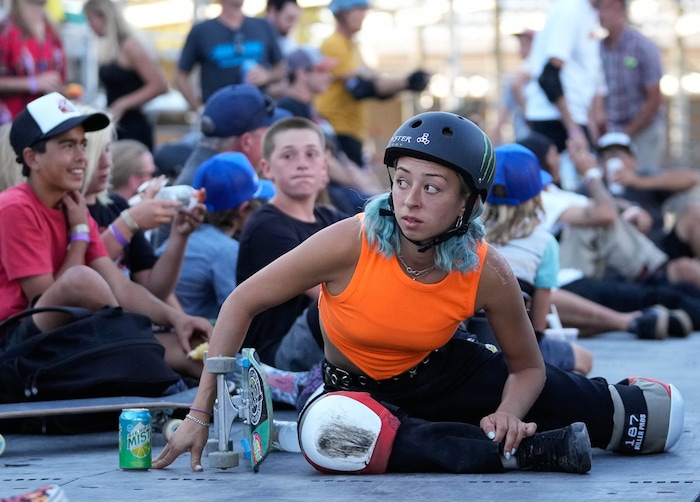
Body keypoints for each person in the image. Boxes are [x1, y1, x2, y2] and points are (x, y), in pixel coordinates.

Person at [154, 111, 683, 475]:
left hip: (447, 371)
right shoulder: (351, 239)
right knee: (329, 436)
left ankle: (513, 435)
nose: (409, 200)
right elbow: (240, 302)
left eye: (431, 187)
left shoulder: (486, 268)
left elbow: (527, 367)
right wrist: (200, 413)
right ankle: (521, 452)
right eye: (402, 180)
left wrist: (508, 411)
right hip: (358, 391)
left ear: (467, 204)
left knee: (656, 421)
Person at [0, 92, 211, 365]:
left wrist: (178, 319)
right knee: (81, 279)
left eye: (83, 145)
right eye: (68, 146)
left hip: (73, 334)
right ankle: (128, 342)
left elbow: (120, 287)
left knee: (195, 349)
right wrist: (79, 234)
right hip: (16, 346)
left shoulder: (72, 205)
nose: (83, 157)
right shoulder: (15, 207)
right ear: (32, 158)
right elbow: (52, 301)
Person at [80, 115, 206, 377]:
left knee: (204, 351)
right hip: (88, 336)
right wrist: (128, 223)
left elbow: (153, 288)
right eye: (94, 152)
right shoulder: (68, 210)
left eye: (107, 151)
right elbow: (79, 277)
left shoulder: (114, 205)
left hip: (128, 328)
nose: (106, 162)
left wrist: (179, 236)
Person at [236, 116, 347, 371]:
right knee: (336, 303)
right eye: (288, 156)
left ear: (324, 166)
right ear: (267, 169)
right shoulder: (266, 226)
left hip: (326, 344)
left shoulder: (332, 219)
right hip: (275, 359)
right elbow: (328, 294)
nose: (302, 164)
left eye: (311, 154)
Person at [483, 144, 592, 375]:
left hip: (468, 342)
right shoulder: (544, 243)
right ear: (535, 195)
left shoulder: (465, 235)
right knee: (584, 359)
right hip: (513, 349)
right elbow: (537, 327)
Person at [156, 152, 275, 320]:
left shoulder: (186, 237)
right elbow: (240, 312)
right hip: (189, 333)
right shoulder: (225, 250)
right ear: (243, 209)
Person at [314, 0, 430, 167]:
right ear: (343, 13)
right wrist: (406, 82)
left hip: (351, 129)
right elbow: (359, 88)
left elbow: (374, 84)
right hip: (338, 129)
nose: (364, 15)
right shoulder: (334, 43)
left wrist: (405, 83)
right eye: (359, 9)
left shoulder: (351, 46)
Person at [278, 44, 383, 213]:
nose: (329, 76)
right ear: (302, 73)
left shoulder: (313, 111)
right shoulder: (288, 109)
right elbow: (320, 160)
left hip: (342, 189)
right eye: (322, 71)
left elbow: (339, 155)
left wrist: (366, 181)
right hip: (324, 196)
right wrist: (358, 183)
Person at [83, 0, 168, 152]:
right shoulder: (111, 47)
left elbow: (159, 85)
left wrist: (123, 103)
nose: (89, 26)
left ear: (103, 16)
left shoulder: (131, 46)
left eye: (90, 20)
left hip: (133, 127)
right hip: (117, 124)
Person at [173, 0, 286, 112]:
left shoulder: (263, 26)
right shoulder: (202, 31)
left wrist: (267, 75)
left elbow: (282, 68)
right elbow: (181, 75)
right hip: (219, 114)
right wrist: (199, 108)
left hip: (259, 112)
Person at [597, 0, 665, 173]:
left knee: (643, 179)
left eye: (607, 7)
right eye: (599, 8)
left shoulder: (643, 47)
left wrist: (626, 135)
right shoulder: (597, 48)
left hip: (643, 131)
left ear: (621, 11)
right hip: (610, 135)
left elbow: (654, 99)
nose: (602, 14)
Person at [0, 0, 66, 124]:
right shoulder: (6, 29)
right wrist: (32, 83)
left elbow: (60, 80)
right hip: (12, 125)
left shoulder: (53, 31)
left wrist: (66, 93)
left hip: (48, 123)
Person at [490, 29, 534, 145]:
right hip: (525, 137)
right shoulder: (518, 74)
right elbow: (503, 114)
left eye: (526, 43)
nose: (522, 48)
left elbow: (515, 85)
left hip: (532, 137)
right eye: (521, 43)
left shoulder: (534, 66)